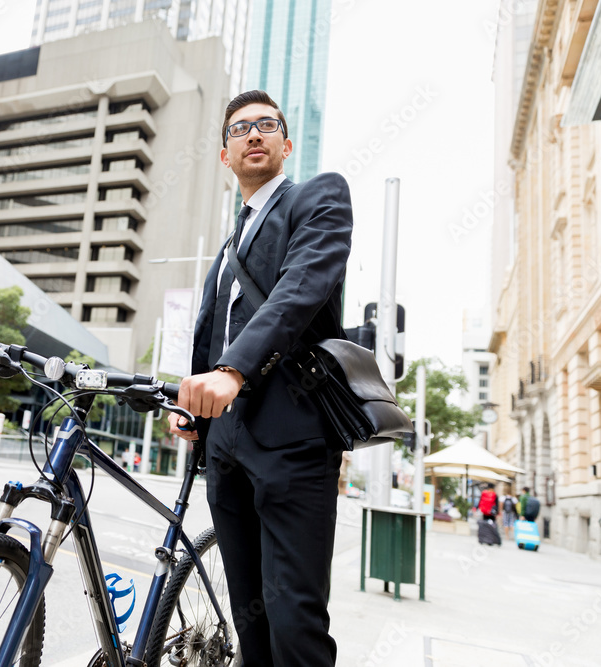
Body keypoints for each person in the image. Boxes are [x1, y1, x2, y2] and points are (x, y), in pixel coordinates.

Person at [169, 90, 353, 665]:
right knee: (250, 620)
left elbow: (298, 292)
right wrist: (194, 400)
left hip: (292, 439)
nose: (254, 133)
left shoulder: (319, 198)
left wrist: (231, 372)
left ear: (286, 143)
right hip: (223, 446)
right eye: (240, 128)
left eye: (267, 125)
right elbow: (209, 336)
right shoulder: (228, 247)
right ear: (225, 154)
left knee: (294, 622)